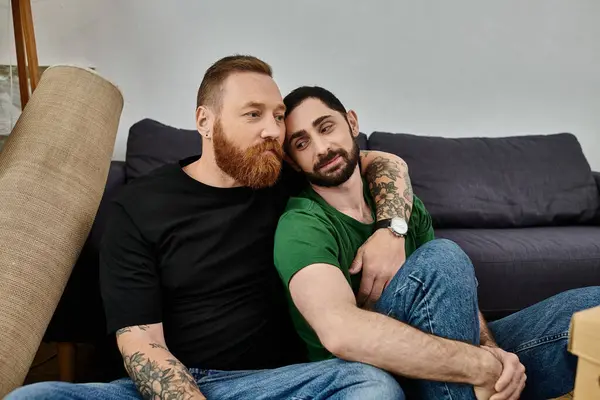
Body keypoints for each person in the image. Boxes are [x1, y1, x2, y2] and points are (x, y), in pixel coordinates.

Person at [6, 56, 415, 399]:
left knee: (371, 386)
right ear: (205, 120)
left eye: (277, 116)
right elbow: (140, 343)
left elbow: (382, 161)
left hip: (274, 386)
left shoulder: (284, 178)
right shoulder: (138, 206)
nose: (273, 130)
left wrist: (391, 230)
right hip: (171, 383)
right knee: (33, 397)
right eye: (253, 114)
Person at [273, 85, 600, 400]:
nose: (321, 148)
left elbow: (456, 299)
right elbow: (340, 334)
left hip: (446, 359)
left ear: (352, 122)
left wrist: (490, 350)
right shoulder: (302, 224)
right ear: (292, 160)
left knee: (588, 310)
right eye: (301, 144)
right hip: (368, 376)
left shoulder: (403, 206)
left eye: (326, 128)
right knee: (443, 256)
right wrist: (478, 366)